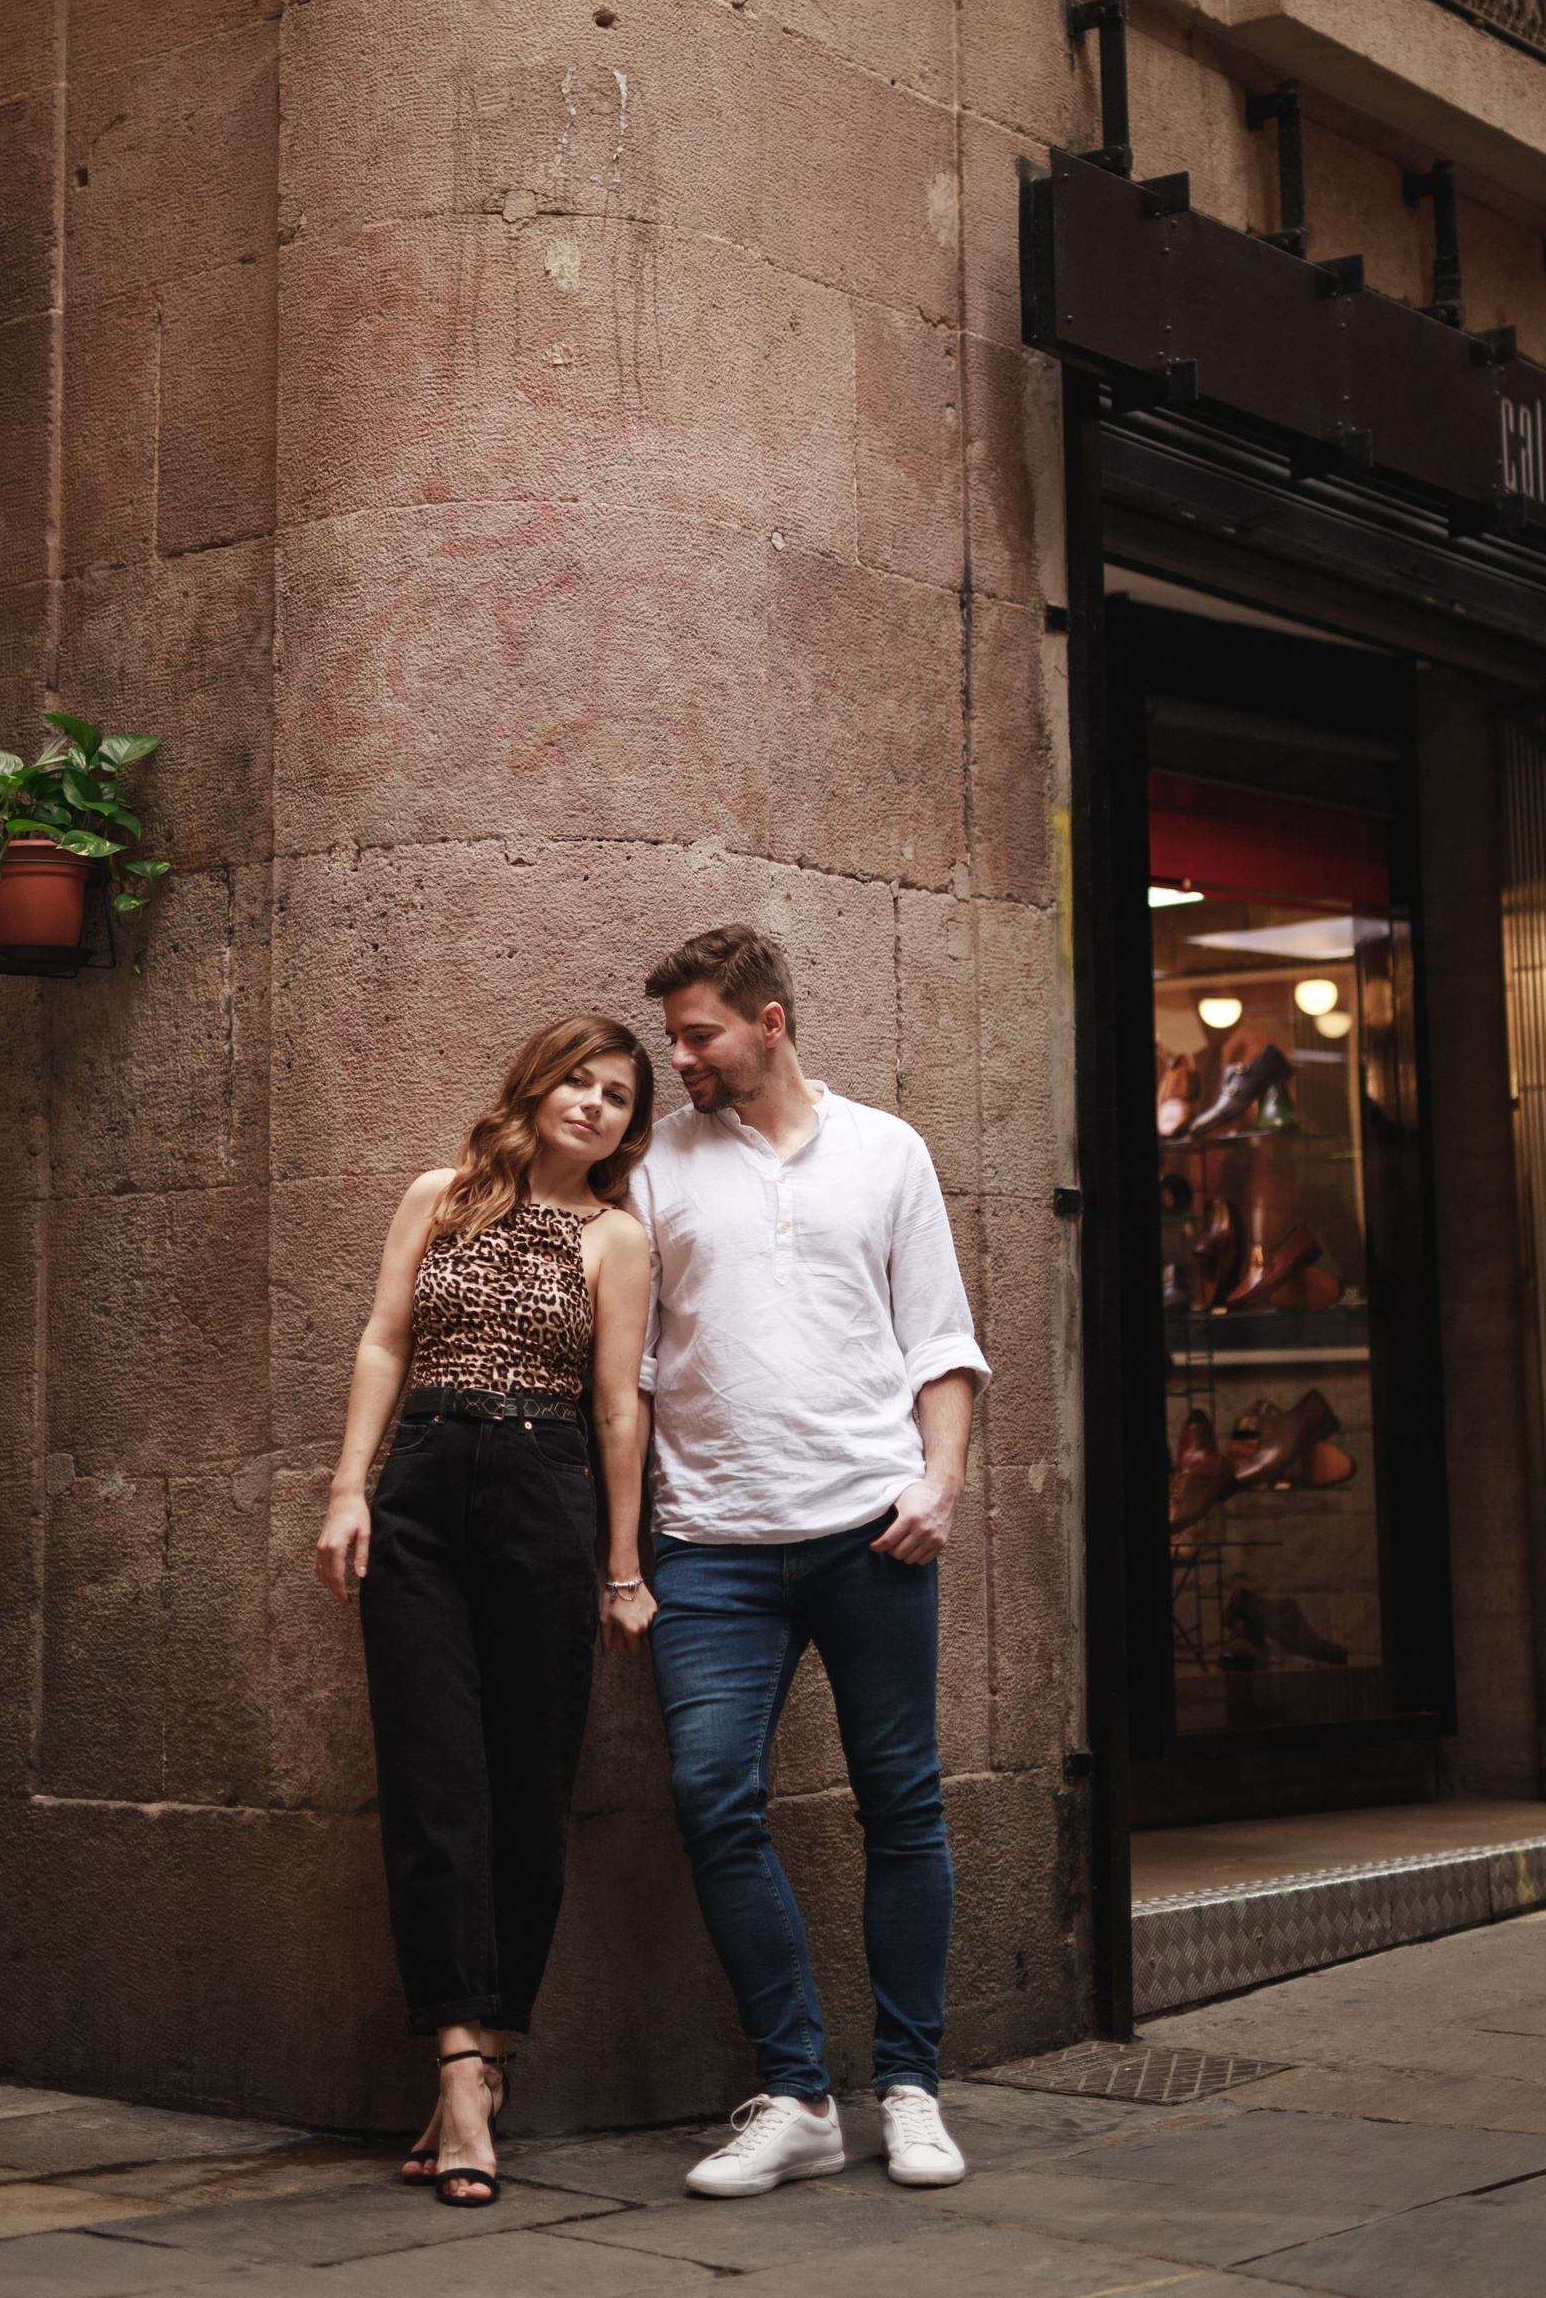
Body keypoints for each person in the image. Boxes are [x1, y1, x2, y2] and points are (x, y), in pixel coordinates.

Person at [632, 924, 990, 2198]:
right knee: (710, 1800)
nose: (681, 1058)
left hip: (870, 1532)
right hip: (709, 1547)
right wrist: (625, 1548)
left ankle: (910, 2087)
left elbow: (939, 1341)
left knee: (903, 1804)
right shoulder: (657, 1162)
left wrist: (938, 1485)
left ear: (770, 1022)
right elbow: (631, 1369)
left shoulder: (888, 1150)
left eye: (700, 1034)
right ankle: (795, 2097)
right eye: (674, 1038)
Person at [313, 1016, 655, 2209]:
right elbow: (382, 1346)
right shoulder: (439, 1197)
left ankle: (485, 2056)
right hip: (420, 1491)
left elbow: (617, 1410)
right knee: (432, 1785)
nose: (594, 1104)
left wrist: (623, 1567)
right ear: (536, 1087)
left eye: (618, 1095)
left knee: (527, 1792)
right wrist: (349, 1490)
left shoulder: (617, 1238)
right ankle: (462, 2070)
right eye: (578, 1082)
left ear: (629, 1126)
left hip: (545, 1497)